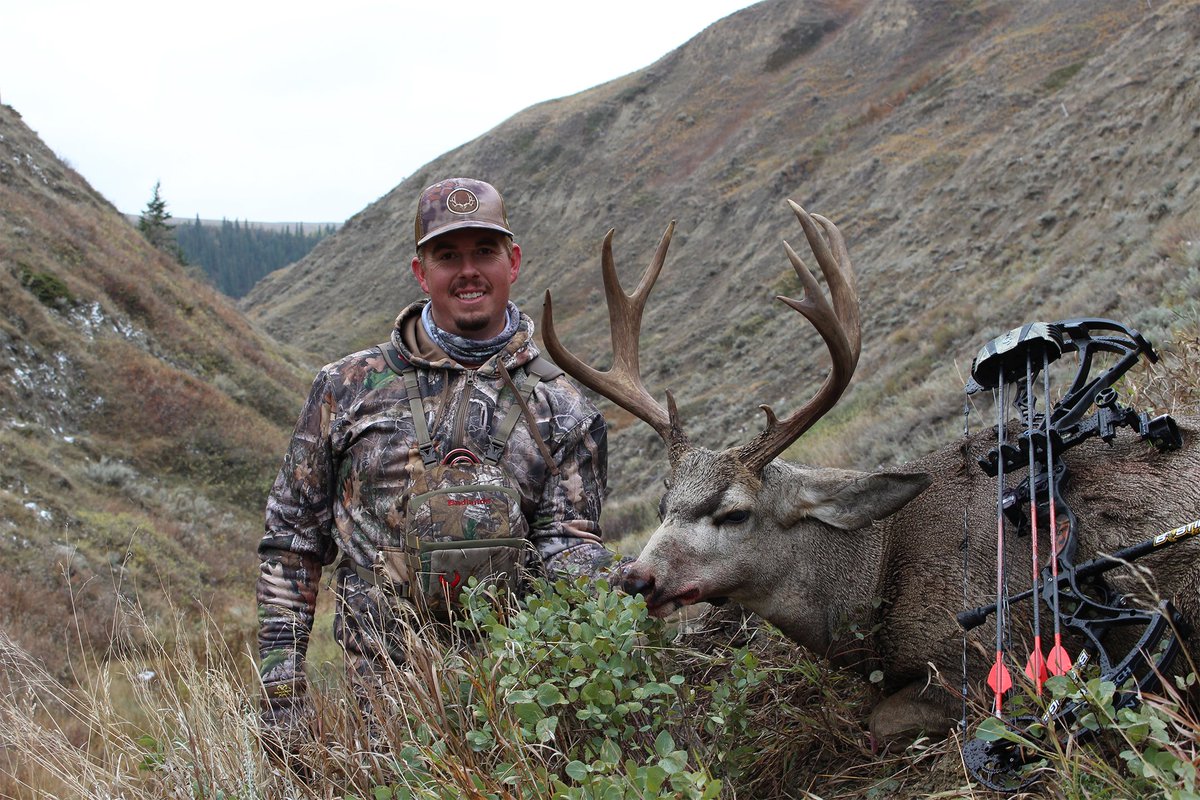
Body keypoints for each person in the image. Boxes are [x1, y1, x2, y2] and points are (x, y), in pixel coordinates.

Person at [256, 177, 624, 747]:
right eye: (448, 255)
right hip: (378, 722)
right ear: (421, 272)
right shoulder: (346, 389)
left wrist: (627, 588)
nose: (468, 271)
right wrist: (283, 699)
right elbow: (291, 544)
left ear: (514, 261)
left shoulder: (564, 407)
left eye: (484, 252)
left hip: (523, 717)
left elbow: (568, 546)